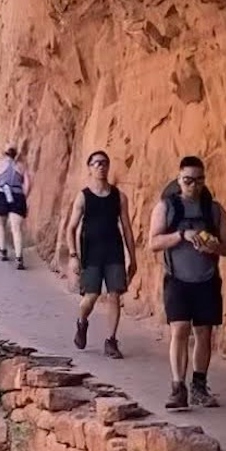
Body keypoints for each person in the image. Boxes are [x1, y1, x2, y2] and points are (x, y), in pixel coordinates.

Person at [148, 155, 226, 409]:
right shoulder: (167, 208)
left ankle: (199, 385)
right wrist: (182, 235)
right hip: (177, 278)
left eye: (198, 181)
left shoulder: (214, 210)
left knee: (204, 333)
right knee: (180, 329)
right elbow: (153, 242)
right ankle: (178, 386)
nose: (193, 186)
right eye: (188, 180)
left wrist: (214, 246)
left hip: (206, 278)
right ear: (179, 179)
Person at [65, 150, 138, 359]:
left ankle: (111, 341)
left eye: (104, 163)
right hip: (91, 252)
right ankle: (82, 321)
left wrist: (133, 258)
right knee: (91, 296)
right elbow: (71, 228)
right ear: (89, 168)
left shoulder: (118, 196)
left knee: (115, 294)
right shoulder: (84, 196)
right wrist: (73, 256)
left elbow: (127, 228)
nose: (101, 166)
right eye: (96, 163)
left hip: (113, 251)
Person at [0, 145, 31, 269]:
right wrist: (24, 196)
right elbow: (28, 184)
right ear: (15, 154)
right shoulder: (21, 166)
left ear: (4, 153)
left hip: (2, 194)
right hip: (17, 196)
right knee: (16, 228)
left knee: (0, 224)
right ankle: (19, 258)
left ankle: (3, 251)